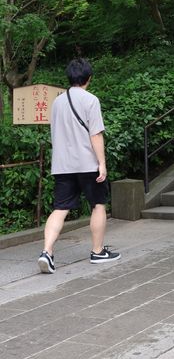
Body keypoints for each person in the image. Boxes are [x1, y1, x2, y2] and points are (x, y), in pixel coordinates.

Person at [38, 58, 120, 273]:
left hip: (62, 165)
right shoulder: (90, 100)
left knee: (60, 208)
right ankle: (98, 251)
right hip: (87, 163)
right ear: (88, 78)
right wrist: (102, 163)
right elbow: (95, 134)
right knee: (98, 205)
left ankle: (47, 252)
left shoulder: (57, 102)